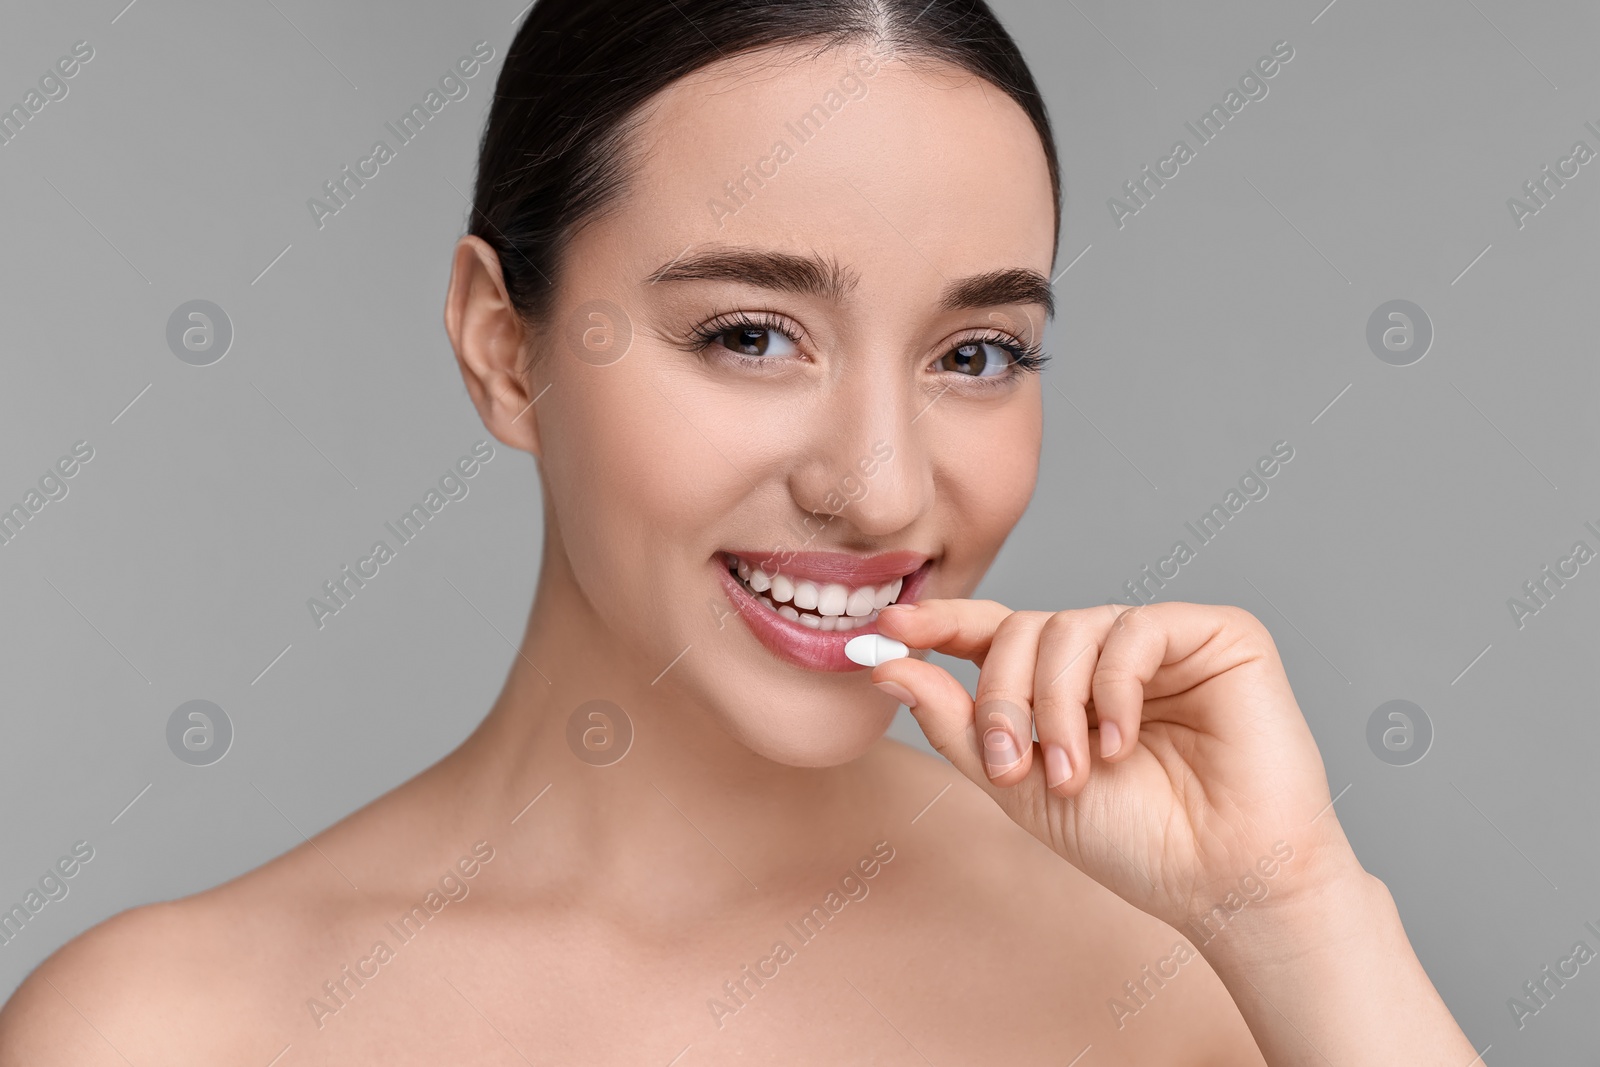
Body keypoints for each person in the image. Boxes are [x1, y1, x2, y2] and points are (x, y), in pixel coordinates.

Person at [0, 1, 1477, 1062]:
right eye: (755, 334)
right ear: (506, 348)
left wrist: (1296, 913)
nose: (882, 487)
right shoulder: (162, 1032)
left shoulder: (1185, 986)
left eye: (976, 354)